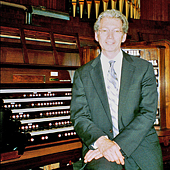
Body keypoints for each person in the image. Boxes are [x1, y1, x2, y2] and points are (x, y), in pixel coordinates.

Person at [70, 9, 163, 170]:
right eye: (105, 31)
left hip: (140, 145)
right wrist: (102, 142)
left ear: (124, 36)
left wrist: (113, 145)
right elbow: (80, 116)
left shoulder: (143, 69)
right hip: (99, 146)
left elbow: (147, 113)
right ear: (96, 35)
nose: (110, 37)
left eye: (116, 31)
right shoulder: (82, 74)